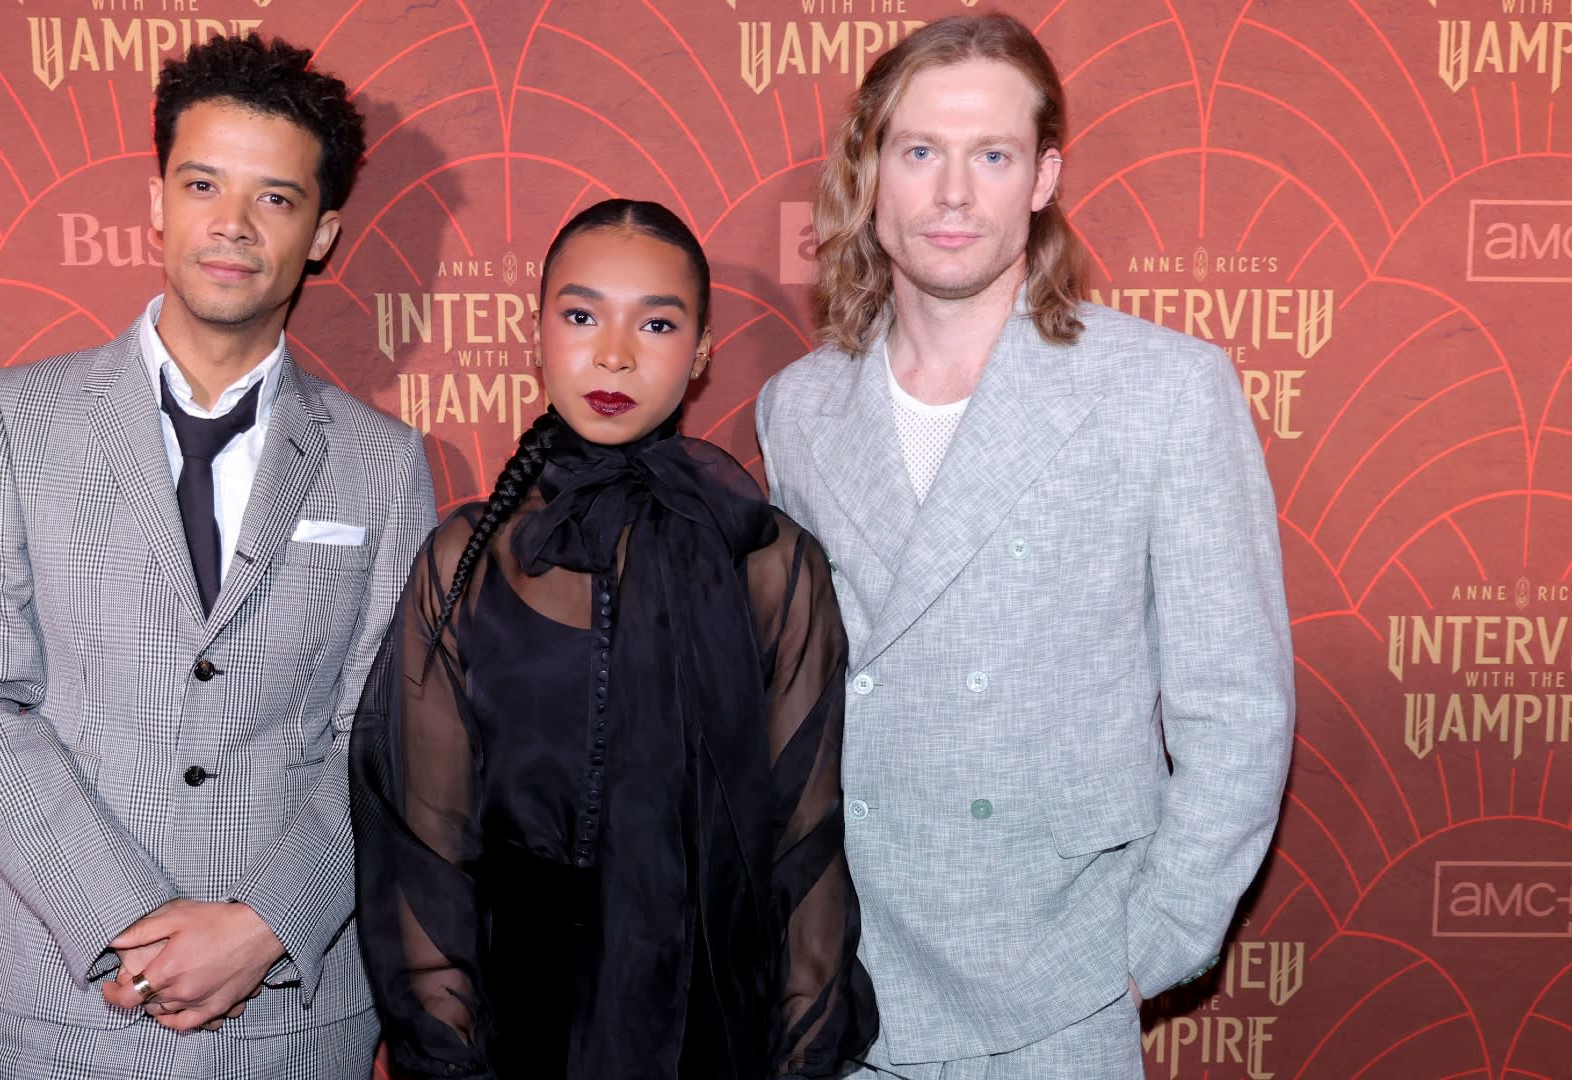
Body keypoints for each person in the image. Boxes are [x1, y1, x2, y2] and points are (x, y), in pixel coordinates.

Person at [754, 13, 1294, 1079]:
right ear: (871, 172)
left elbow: (1238, 704)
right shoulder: (798, 408)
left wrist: (1149, 947)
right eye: (921, 151)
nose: (954, 194)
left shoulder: (1162, 389)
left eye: (992, 156)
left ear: (1043, 176)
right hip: (845, 980)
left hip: (1060, 985)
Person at [0, 34, 434, 1077]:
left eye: (275, 198)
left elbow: (388, 741)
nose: (232, 224)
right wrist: (132, 923)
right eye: (203, 184)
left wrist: (264, 924)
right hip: (68, 1014)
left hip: (294, 1023)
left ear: (323, 233)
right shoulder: (13, 422)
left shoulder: (384, 464)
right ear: (156, 202)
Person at [350, 198, 879, 1079]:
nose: (614, 355)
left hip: (714, 1030)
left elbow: (804, 840)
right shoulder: (465, 562)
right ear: (536, 334)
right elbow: (424, 842)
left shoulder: (769, 565)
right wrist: (450, 1060)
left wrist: (801, 1060)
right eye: (582, 316)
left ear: (702, 352)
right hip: (515, 1034)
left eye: (657, 323)